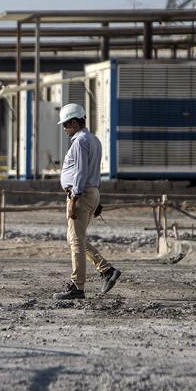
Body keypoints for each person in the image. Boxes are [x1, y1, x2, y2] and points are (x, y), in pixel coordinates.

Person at [52, 103, 122, 300]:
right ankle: (106, 270)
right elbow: (94, 172)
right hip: (91, 192)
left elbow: (81, 172)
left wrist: (74, 198)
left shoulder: (80, 141)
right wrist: (95, 197)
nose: (64, 129)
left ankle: (77, 286)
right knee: (76, 238)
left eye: (66, 125)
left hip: (81, 195)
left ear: (74, 122)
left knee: (75, 241)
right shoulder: (93, 140)